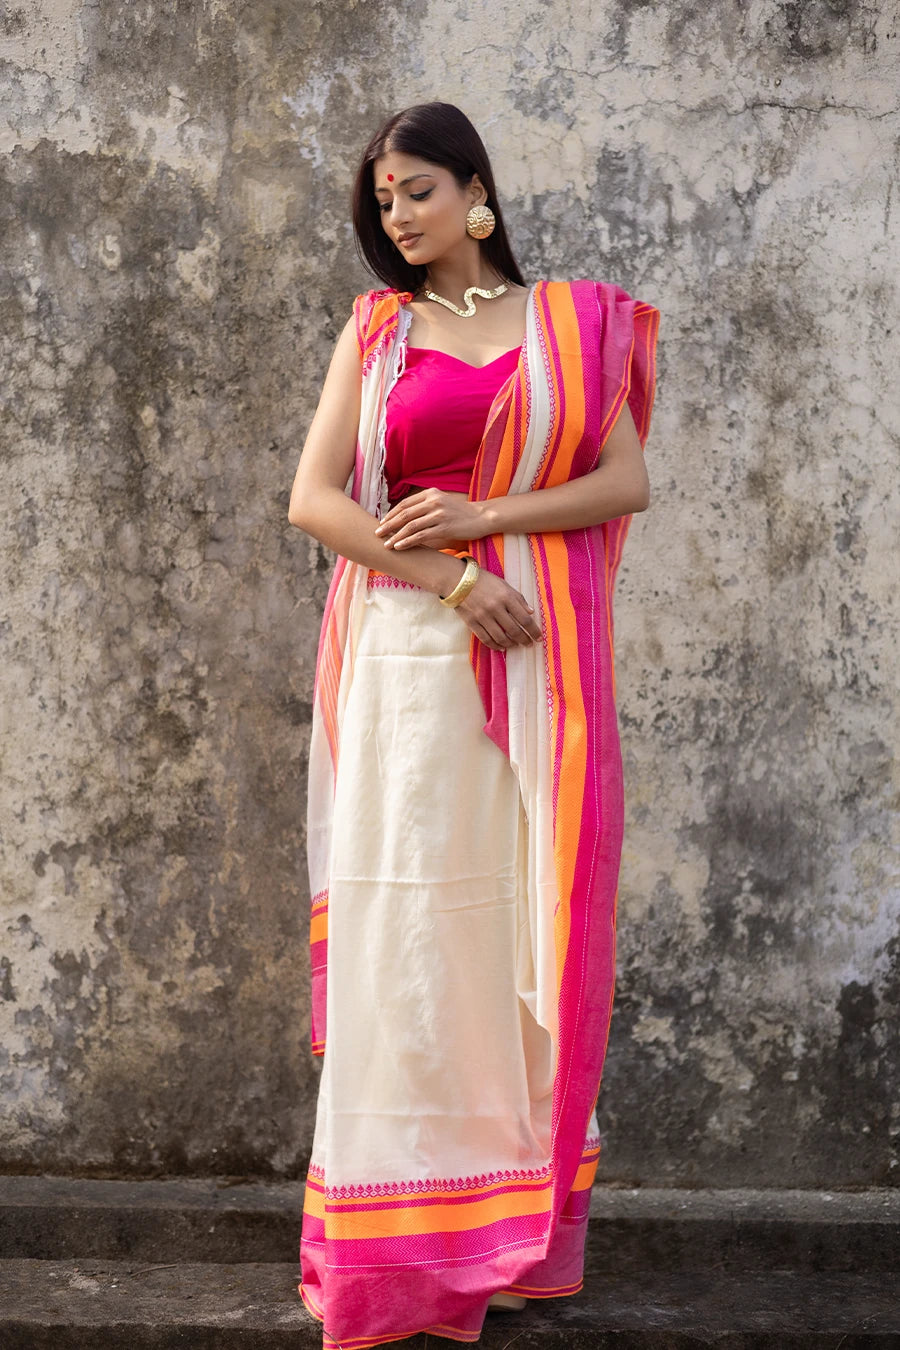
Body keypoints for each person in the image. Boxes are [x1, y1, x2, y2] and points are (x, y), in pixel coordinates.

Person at [288, 100, 659, 1349]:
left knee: (511, 922)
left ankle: (511, 1235)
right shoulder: (378, 332)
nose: (396, 216)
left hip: (530, 664)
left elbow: (623, 481)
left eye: (416, 191)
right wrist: (450, 577)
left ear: (476, 190)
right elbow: (315, 501)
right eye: (383, 200)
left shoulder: (569, 326)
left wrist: (486, 524)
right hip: (408, 656)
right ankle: (401, 1246)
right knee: (411, 922)